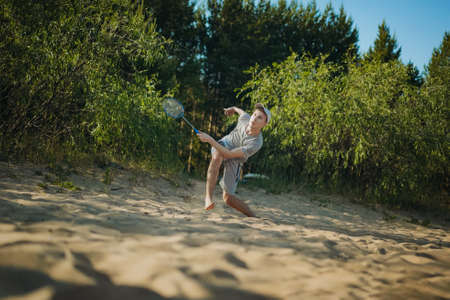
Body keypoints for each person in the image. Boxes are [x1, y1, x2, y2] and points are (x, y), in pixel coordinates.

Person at [196, 103, 271, 217]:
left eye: (259, 117)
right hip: (225, 144)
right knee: (217, 156)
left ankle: (253, 216)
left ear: (265, 124)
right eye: (254, 114)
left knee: (228, 198)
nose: (254, 118)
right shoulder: (245, 118)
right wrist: (233, 109)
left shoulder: (256, 142)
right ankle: (208, 198)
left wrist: (210, 140)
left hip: (235, 158)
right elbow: (240, 111)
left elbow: (230, 154)